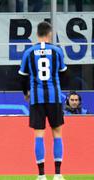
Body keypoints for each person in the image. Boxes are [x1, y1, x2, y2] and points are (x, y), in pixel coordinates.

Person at [18, 21, 67, 180]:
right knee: (57, 134)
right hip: (54, 97)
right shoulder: (57, 51)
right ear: (49, 33)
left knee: (39, 135)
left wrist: (26, 93)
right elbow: (64, 73)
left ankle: (41, 175)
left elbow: (22, 77)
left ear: (37, 34)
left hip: (37, 98)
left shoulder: (29, 52)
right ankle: (58, 174)